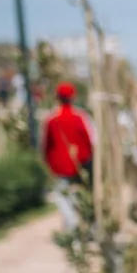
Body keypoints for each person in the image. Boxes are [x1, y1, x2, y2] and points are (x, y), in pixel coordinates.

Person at [42, 82, 94, 233]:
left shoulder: (52, 118)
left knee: (63, 196)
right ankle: (81, 224)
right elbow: (88, 140)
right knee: (79, 195)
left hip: (60, 166)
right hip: (80, 164)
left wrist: (48, 162)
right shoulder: (80, 116)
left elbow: (47, 144)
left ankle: (72, 225)